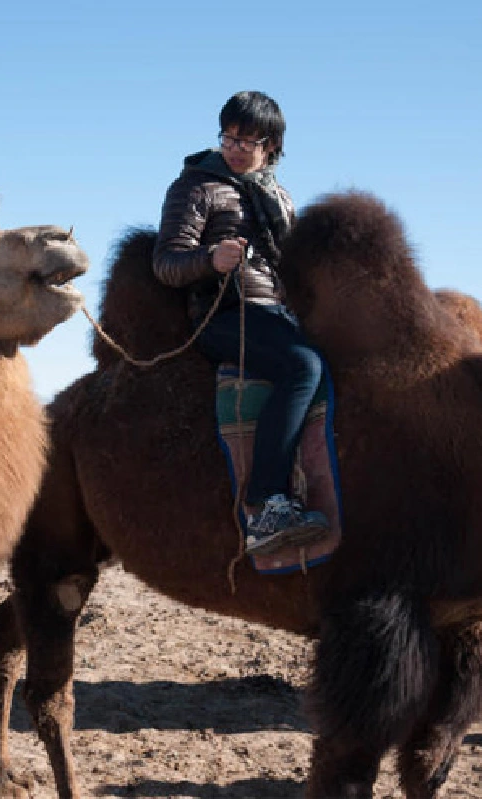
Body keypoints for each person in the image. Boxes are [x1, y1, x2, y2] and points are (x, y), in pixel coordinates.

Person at [153, 90, 328, 557]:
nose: (234, 148)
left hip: (277, 313)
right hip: (223, 315)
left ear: (271, 145)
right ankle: (266, 504)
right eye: (229, 137)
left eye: (247, 141)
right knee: (302, 367)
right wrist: (211, 259)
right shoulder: (195, 186)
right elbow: (166, 262)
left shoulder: (279, 198)